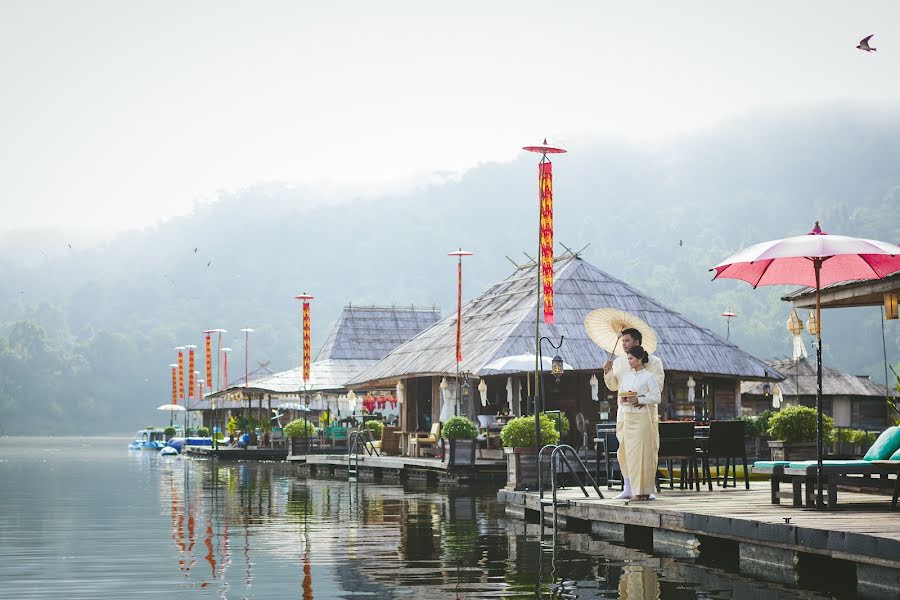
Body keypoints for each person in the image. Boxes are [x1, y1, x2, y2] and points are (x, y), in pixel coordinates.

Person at [603, 327, 665, 499]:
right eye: (622, 341)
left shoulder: (654, 362)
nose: (623, 344)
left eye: (627, 341)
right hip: (624, 413)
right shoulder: (619, 362)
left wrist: (637, 398)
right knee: (623, 450)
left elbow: (657, 388)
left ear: (637, 342)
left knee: (646, 452)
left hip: (645, 414)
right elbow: (614, 386)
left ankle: (645, 489)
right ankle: (629, 487)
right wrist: (607, 372)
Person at [615, 345, 661, 501]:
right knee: (631, 456)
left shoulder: (649, 376)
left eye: (631, 358)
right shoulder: (627, 377)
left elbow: (656, 397)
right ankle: (635, 491)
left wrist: (639, 399)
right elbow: (621, 397)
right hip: (628, 417)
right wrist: (623, 400)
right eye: (628, 358)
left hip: (642, 418)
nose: (629, 361)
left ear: (640, 359)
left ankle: (643, 492)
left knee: (643, 455)